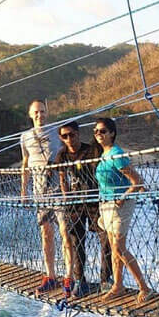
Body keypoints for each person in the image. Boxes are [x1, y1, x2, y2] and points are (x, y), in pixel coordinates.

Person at [93, 117, 152, 304]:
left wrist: (123, 197)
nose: (99, 135)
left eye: (103, 131)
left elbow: (138, 181)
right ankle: (118, 285)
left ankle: (144, 287)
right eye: (96, 132)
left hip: (120, 205)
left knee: (119, 248)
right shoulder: (104, 154)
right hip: (107, 204)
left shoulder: (116, 155)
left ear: (112, 133)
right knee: (114, 247)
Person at [56, 120, 113, 297]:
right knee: (77, 242)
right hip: (74, 205)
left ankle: (105, 279)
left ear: (78, 134)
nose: (69, 139)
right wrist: (66, 197)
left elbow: (106, 149)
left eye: (71, 134)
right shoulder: (62, 155)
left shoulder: (91, 151)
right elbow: (62, 177)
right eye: (64, 136)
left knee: (105, 240)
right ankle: (80, 281)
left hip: (95, 201)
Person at [20, 99, 71, 296]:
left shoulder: (57, 132)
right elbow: (25, 163)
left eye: (42, 111)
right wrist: (24, 192)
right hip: (39, 192)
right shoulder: (24, 137)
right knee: (46, 234)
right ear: (30, 114)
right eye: (36, 112)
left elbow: (68, 153)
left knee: (66, 233)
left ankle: (68, 277)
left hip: (59, 190)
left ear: (47, 112)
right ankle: (50, 276)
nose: (40, 115)